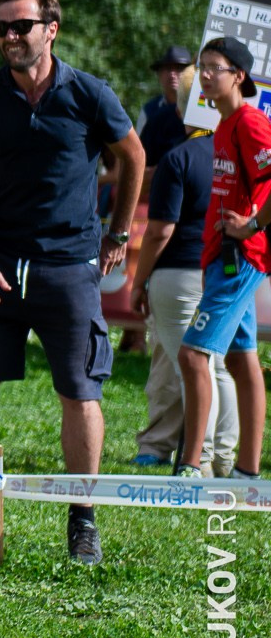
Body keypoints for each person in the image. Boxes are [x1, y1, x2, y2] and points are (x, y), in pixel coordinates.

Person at [0, 0, 142, 566]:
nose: (10, 36)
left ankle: (82, 519)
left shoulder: (88, 93)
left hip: (69, 266)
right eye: (1, 27)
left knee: (80, 392)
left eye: (21, 25)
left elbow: (132, 156)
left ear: (50, 29)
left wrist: (119, 234)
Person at [171, 37, 271, 482]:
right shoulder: (223, 125)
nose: (204, 75)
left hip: (242, 257)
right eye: (202, 66)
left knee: (194, 356)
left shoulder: (250, 122)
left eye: (214, 67)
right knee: (240, 360)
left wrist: (251, 225)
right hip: (221, 257)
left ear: (239, 76)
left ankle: (190, 466)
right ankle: (247, 471)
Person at [129, 126, 237, 474]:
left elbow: (160, 230)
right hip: (227, 273)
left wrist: (139, 281)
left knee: (195, 369)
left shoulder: (179, 158)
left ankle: (199, 461)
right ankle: (223, 458)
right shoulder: (242, 157)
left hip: (180, 274)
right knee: (217, 367)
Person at [137, 45, 193, 162]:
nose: (172, 74)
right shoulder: (148, 111)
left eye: (179, 68)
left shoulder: (201, 109)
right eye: (167, 69)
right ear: (159, 75)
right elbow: (138, 153)